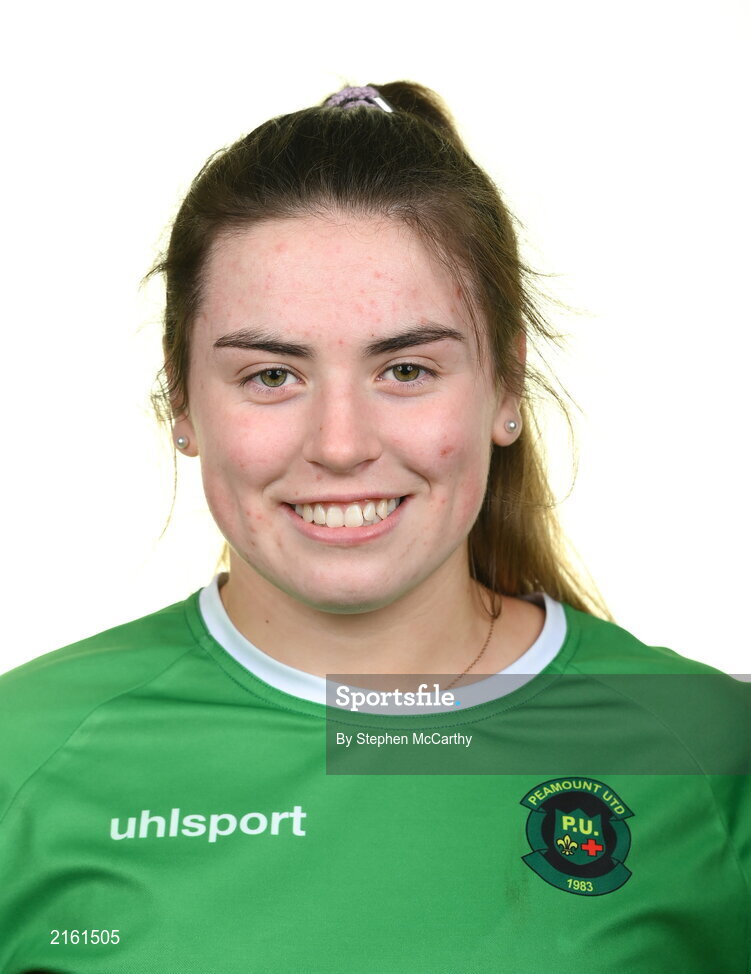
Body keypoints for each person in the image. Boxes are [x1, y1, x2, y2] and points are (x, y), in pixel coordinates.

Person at [0, 81, 749, 974]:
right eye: (271, 376)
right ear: (181, 399)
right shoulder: (27, 748)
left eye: (404, 368)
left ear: (505, 388)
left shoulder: (709, 748)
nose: (341, 444)